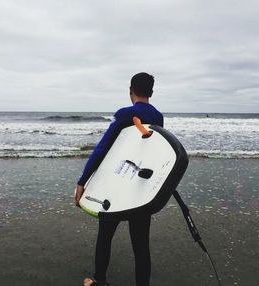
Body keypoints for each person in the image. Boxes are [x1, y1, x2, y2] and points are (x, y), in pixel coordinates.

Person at [75, 72, 164, 286]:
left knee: (105, 234)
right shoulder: (159, 117)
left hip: (117, 183)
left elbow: (103, 148)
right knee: (141, 244)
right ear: (150, 92)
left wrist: (82, 181)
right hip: (140, 187)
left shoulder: (125, 114)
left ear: (130, 90)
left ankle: (100, 281)